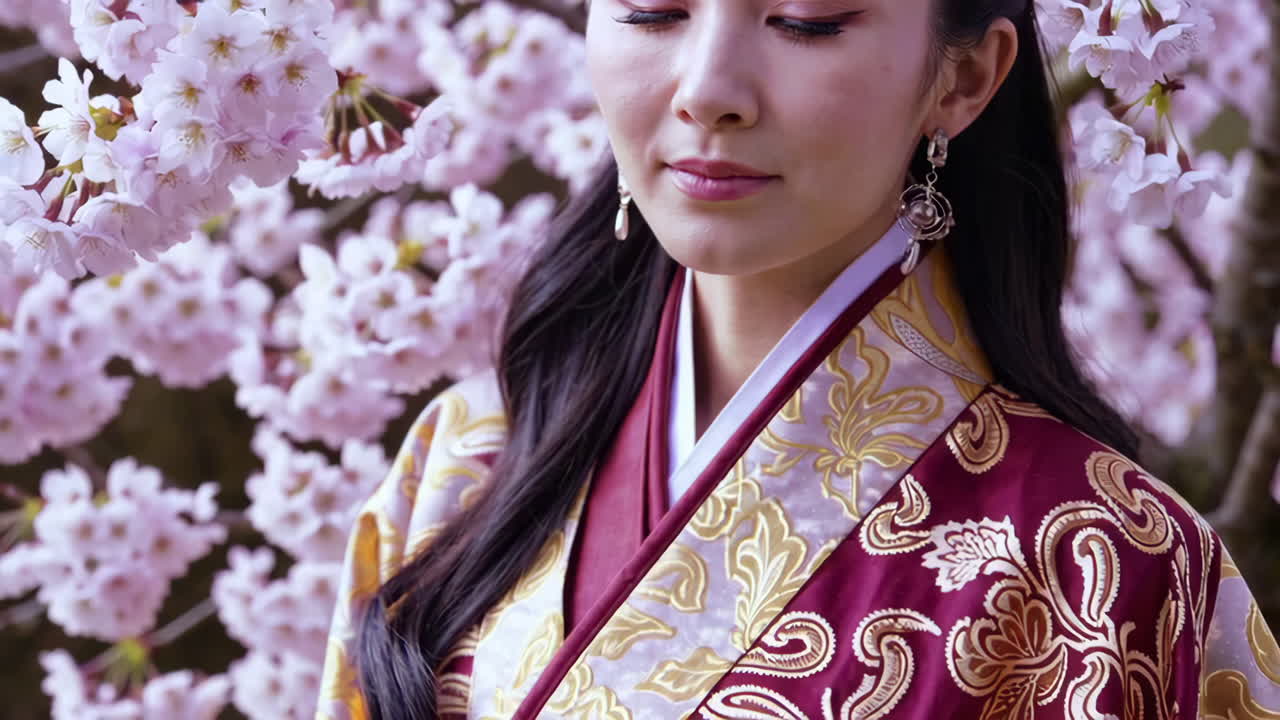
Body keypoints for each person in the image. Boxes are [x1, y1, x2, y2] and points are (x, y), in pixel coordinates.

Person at [316, 0, 1280, 718]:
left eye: (806, 21)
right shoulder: (465, 457)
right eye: (652, 10)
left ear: (963, 80)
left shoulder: (1098, 556)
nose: (708, 91)